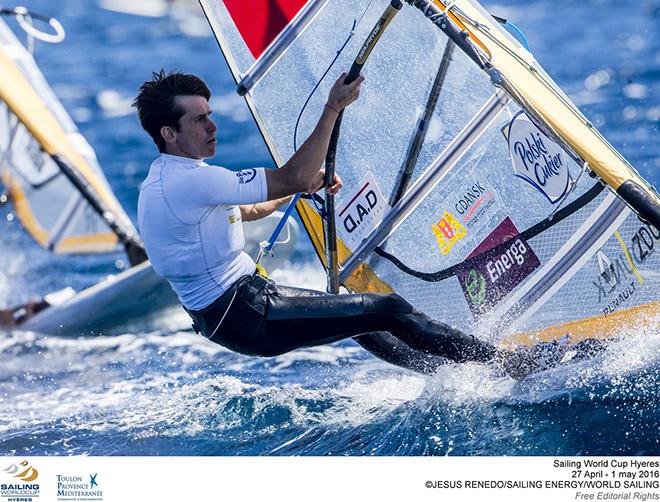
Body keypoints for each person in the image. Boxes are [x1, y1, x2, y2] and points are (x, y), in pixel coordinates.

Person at [133, 69, 579, 378]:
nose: (213, 126)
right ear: (169, 134)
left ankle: (450, 368)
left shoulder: (172, 180)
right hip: (246, 313)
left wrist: (299, 190)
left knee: (361, 318)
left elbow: (248, 210)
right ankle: (506, 366)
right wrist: (333, 107)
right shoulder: (190, 182)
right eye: (199, 119)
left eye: (210, 114)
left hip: (240, 306)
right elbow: (294, 174)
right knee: (385, 309)